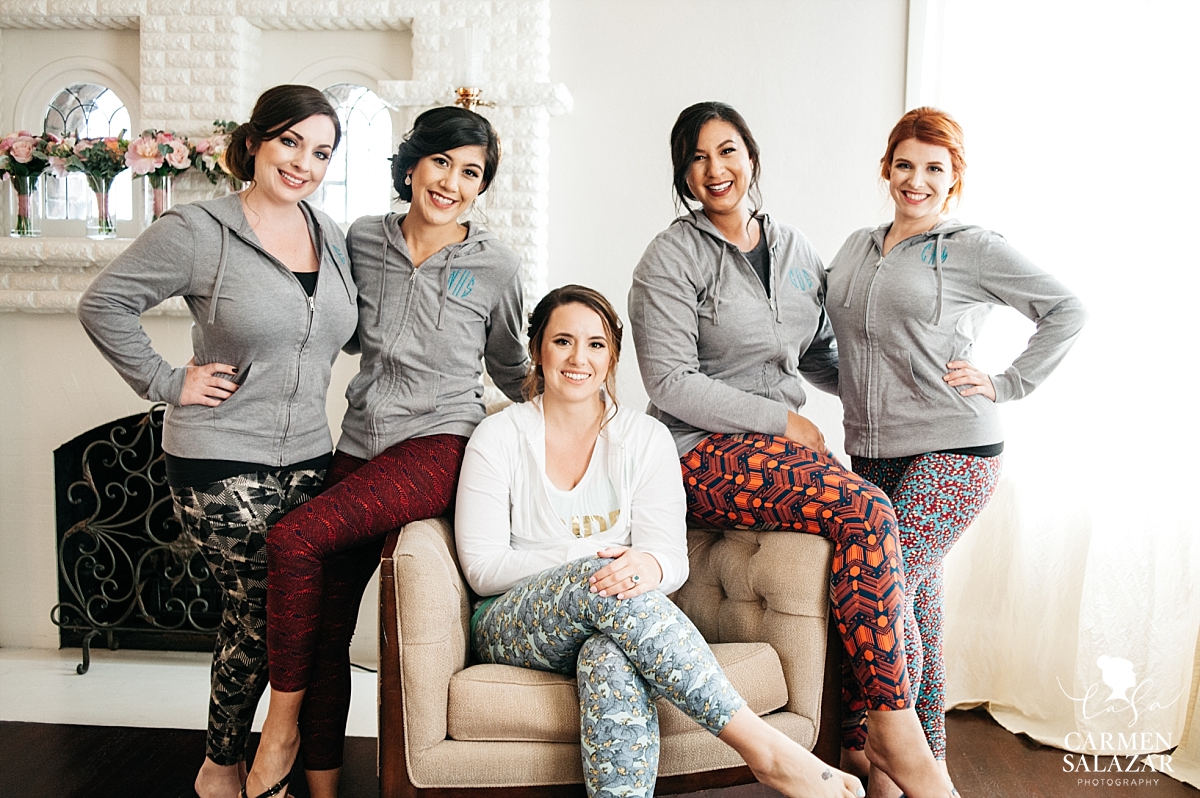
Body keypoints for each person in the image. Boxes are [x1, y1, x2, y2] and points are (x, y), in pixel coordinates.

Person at [627, 101, 955, 798]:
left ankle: (856, 744)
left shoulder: (799, 250)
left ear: (751, 156)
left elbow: (821, 354)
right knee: (868, 513)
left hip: (781, 455)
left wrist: (906, 390)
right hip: (697, 452)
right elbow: (669, 380)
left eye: (728, 151)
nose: (716, 169)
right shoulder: (671, 257)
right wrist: (779, 420)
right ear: (683, 174)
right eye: (697, 157)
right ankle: (898, 738)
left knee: (866, 531)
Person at [455, 284, 866, 798]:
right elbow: (482, 568)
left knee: (609, 657)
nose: (578, 357)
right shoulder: (499, 436)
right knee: (597, 578)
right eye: (562, 341)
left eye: (596, 344)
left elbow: (669, 558)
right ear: (538, 349)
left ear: (613, 358)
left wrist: (648, 568)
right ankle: (765, 748)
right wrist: (589, 562)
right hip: (511, 623)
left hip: (616, 617)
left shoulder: (645, 439)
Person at [77, 85, 357, 798]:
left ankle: (252, 757)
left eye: (321, 152)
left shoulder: (329, 234)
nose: (303, 163)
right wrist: (168, 381)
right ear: (256, 142)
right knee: (261, 612)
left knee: (291, 617)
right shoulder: (200, 231)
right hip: (220, 454)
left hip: (309, 457)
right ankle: (222, 766)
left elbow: (345, 333)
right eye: (291, 142)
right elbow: (103, 302)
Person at [242, 105, 527, 798]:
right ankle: (320, 786)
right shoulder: (361, 240)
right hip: (359, 442)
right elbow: (325, 329)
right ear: (412, 164)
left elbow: (513, 366)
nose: (452, 183)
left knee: (293, 539)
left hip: (439, 445)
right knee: (325, 629)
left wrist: (580, 418)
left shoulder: (493, 263)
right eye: (441, 162)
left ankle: (274, 736)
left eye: (471, 173)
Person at [825, 106, 1086, 796]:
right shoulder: (855, 248)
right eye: (905, 165)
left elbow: (1066, 310)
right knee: (915, 601)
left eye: (934, 169)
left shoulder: (971, 247)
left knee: (878, 592)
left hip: (955, 448)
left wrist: (1008, 383)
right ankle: (926, 757)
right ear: (886, 169)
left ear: (954, 180)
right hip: (873, 456)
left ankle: (887, 756)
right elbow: (845, 346)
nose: (917, 181)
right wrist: (835, 381)